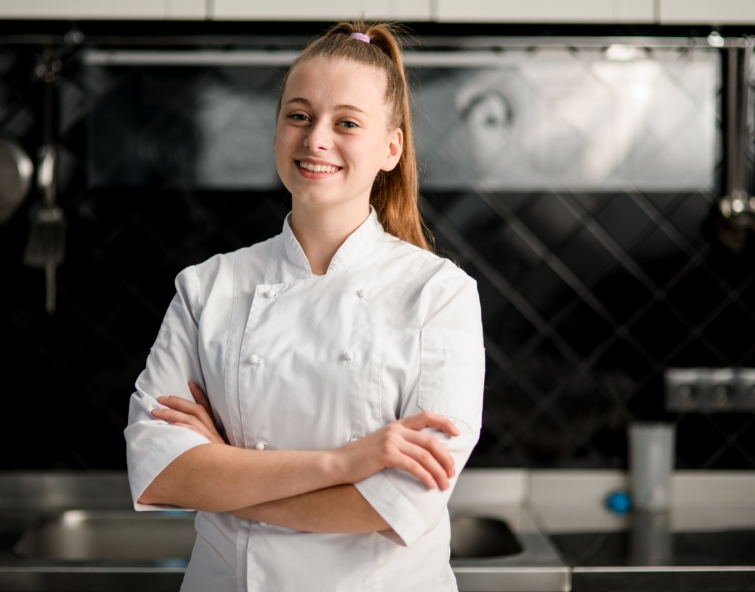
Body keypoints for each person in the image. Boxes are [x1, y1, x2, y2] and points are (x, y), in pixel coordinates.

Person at [125, 21, 486, 591]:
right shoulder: (207, 288)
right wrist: (343, 464)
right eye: (299, 115)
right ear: (276, 132)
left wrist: (224, 478)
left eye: (347, 123)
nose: (316, 139)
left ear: (391, 148)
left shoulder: (438, 294)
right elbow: (160, 473)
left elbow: (397, 506)